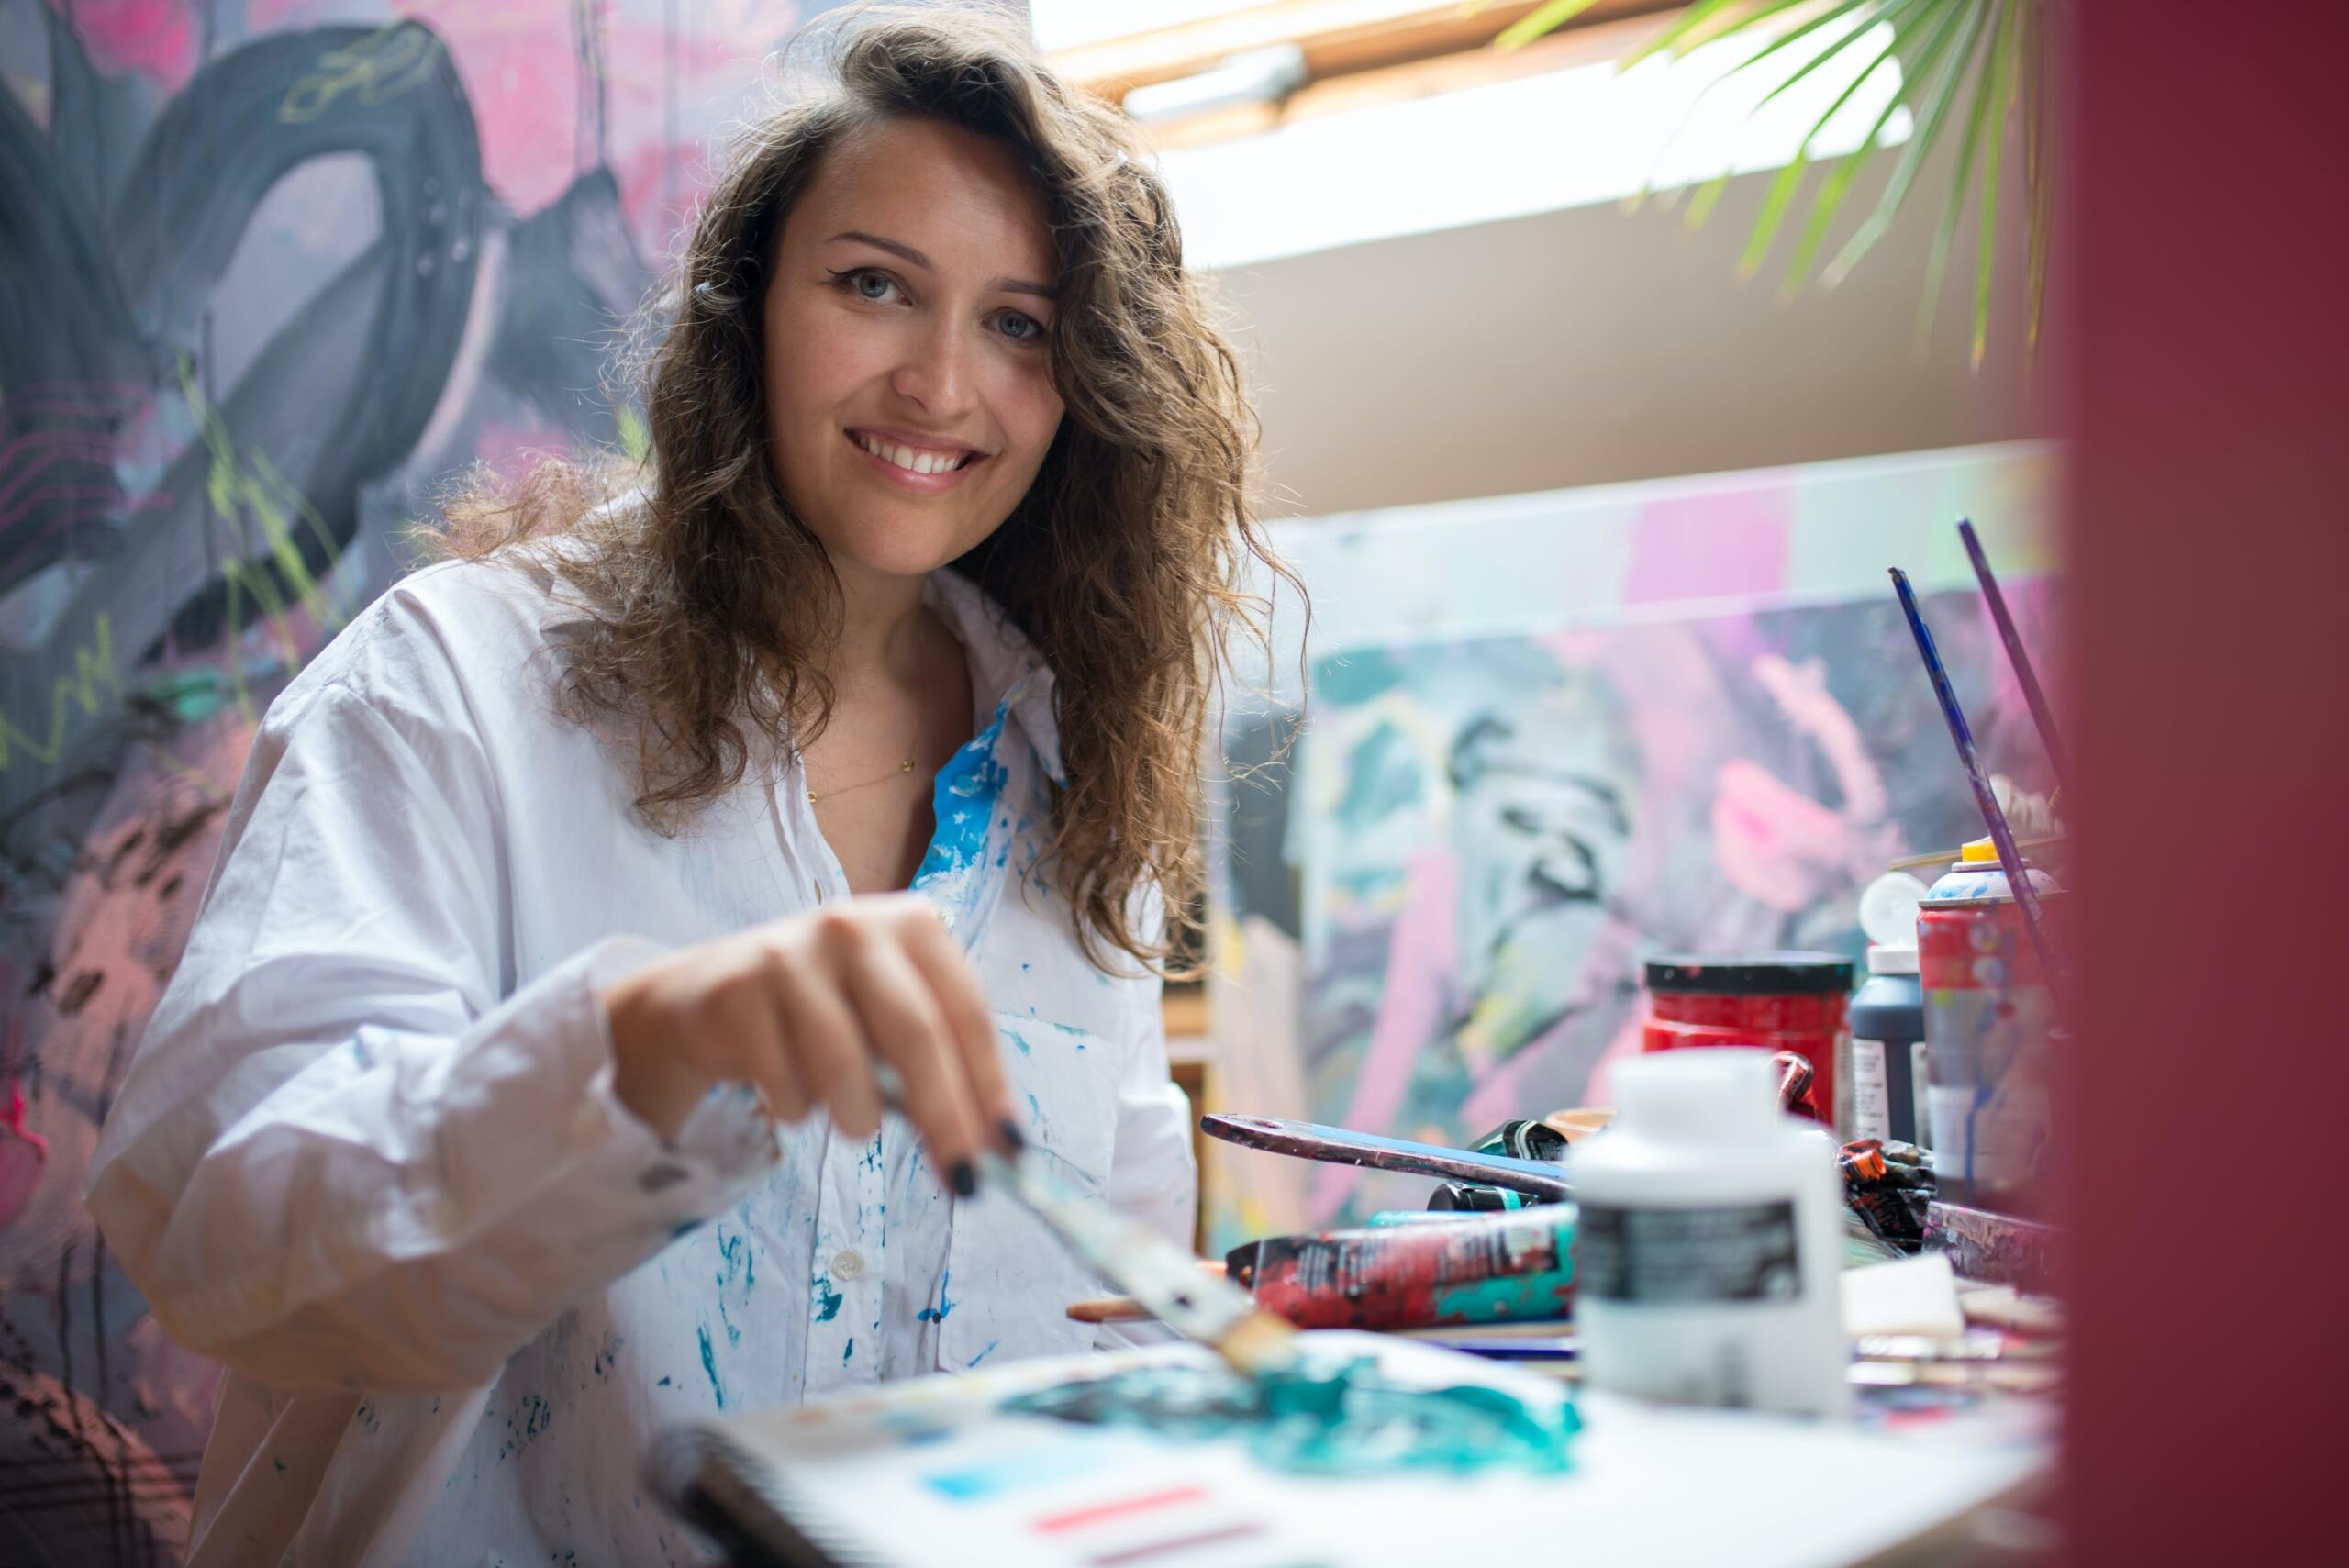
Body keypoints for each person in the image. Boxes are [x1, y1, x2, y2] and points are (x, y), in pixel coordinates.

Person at [85, 7, 1284, 1562]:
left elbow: (1114, 1333)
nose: (941, 382)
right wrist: (635, 1046)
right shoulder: (455, 685)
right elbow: (228, 1236)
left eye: (1021, 324)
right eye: (874, 286)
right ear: (747, 309)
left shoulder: (1080, 779)